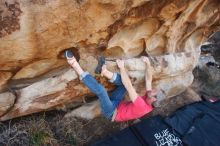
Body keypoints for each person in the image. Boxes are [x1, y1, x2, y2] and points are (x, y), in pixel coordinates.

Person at [67, 55, 157, 122]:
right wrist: (148, 64)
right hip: (117, 103)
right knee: (124, 82)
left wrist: (122, 68)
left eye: (154, 94)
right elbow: (149, 80)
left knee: (101, 91)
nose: (152, 90)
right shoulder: (150, 97)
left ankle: (75, 66)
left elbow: (129, 86)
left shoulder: (142, 106)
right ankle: (104, 71)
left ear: (153, 100)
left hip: (111, 112)